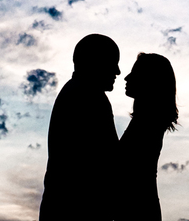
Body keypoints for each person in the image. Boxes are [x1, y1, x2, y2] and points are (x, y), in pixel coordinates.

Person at [38, 34, 120, 221]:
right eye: (112, 62)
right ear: (94, 62)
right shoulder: (90, 97)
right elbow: (109, 160)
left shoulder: (79, 92)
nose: (117, 71)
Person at [117, 53, 179, 221]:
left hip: (138, 211)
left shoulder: (148, 122)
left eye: (135, 73)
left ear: (150, 80)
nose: (126, 78)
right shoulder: (146, 120)